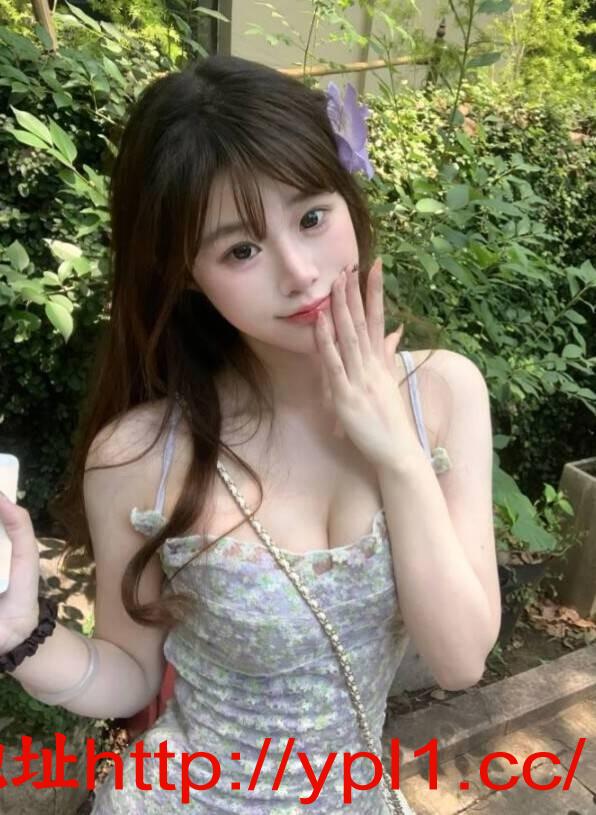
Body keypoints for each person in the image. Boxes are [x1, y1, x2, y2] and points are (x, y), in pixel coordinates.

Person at [0, 55, 502, 814]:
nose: (299, 272)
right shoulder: (140, 456)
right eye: (241, 249)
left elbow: (461, 659)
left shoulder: (442, 394)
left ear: (347, 197)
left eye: (312, 217)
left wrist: (398, 452)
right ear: (185, 273)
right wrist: (21, 635)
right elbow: (130, 677)